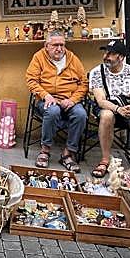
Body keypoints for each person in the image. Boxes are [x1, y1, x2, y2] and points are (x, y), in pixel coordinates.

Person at [25, 31, 88, 172]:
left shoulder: (73, 59)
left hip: (69, 100)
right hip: (47, 99)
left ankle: (68, 153)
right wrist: (45, 95)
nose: (59, 49)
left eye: (62, 45)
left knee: (81, 114)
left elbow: (84, 83)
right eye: (55, 45)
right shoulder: (39, 57)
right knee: (53, 111)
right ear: (46, 46)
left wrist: (72, 100)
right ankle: (45, 151)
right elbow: (31, 80)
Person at [88, 40, 130, 178]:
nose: (106, 56)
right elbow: (101, 101)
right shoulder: (97, 72)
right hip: (107, 109)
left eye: (110, 54)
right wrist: (118, 109)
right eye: (105, 52)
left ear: (121, 57)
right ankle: (105, 160)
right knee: (107, 115)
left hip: (127, 110)